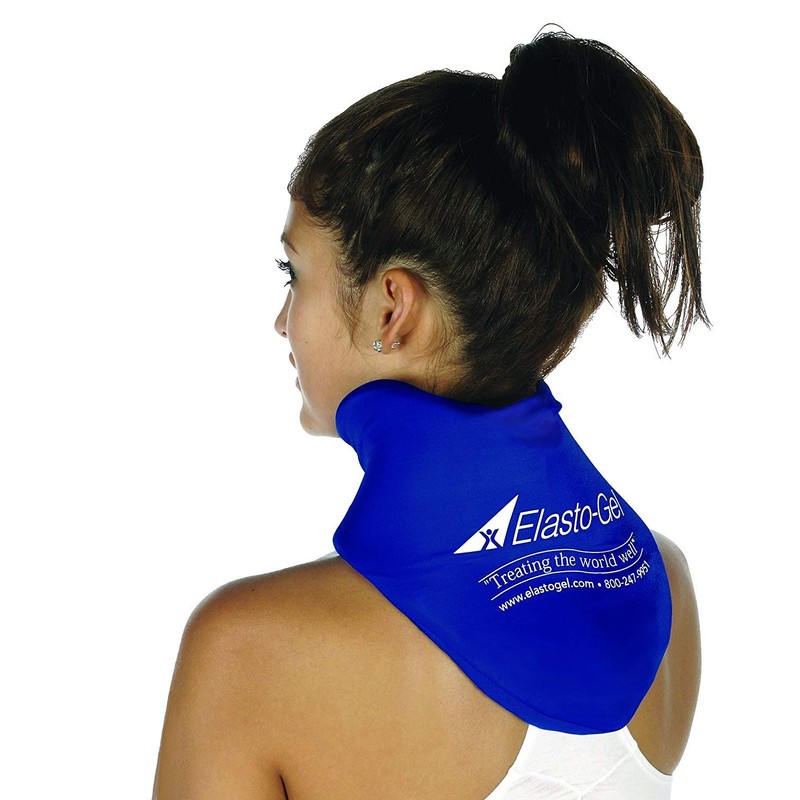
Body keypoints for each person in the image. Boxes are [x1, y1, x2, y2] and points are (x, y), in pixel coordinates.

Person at [152, 27, 705, 800]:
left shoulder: (248, 652)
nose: (282, 321)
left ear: (392, 308)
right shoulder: (664, 588)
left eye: (294, 273)